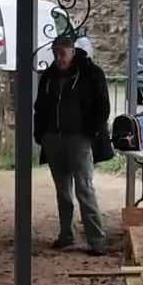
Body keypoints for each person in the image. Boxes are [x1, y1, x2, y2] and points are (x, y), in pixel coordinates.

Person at [34, 31, 111, 256]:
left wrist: (90, 132)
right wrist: (41, 134)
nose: (59, 58)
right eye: (56, 53)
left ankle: (97, 240)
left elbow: (102, 107)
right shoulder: (49, 77)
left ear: (73, 52)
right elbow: (40, 107)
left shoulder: (91, 74)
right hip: (54, 138)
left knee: (84, 189)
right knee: (63, 191)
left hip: (79, 139)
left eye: (63, 53)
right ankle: (65, 234)